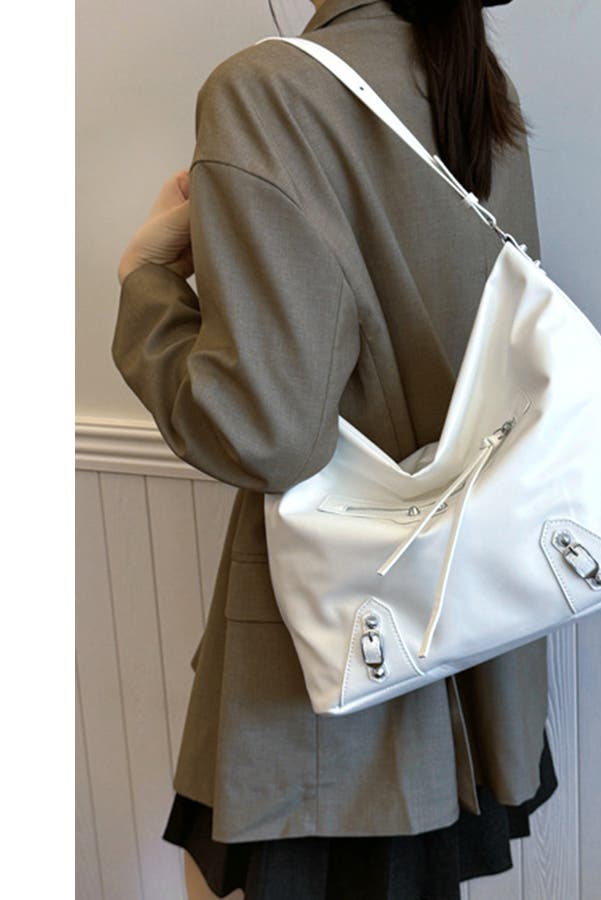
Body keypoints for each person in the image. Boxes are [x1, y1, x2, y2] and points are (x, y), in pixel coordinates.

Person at [112, 0, 558, 897]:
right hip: (472, 625)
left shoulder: (269, 89)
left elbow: (268, 430)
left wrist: (145, 283)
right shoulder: (473, 85)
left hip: (331, 649)